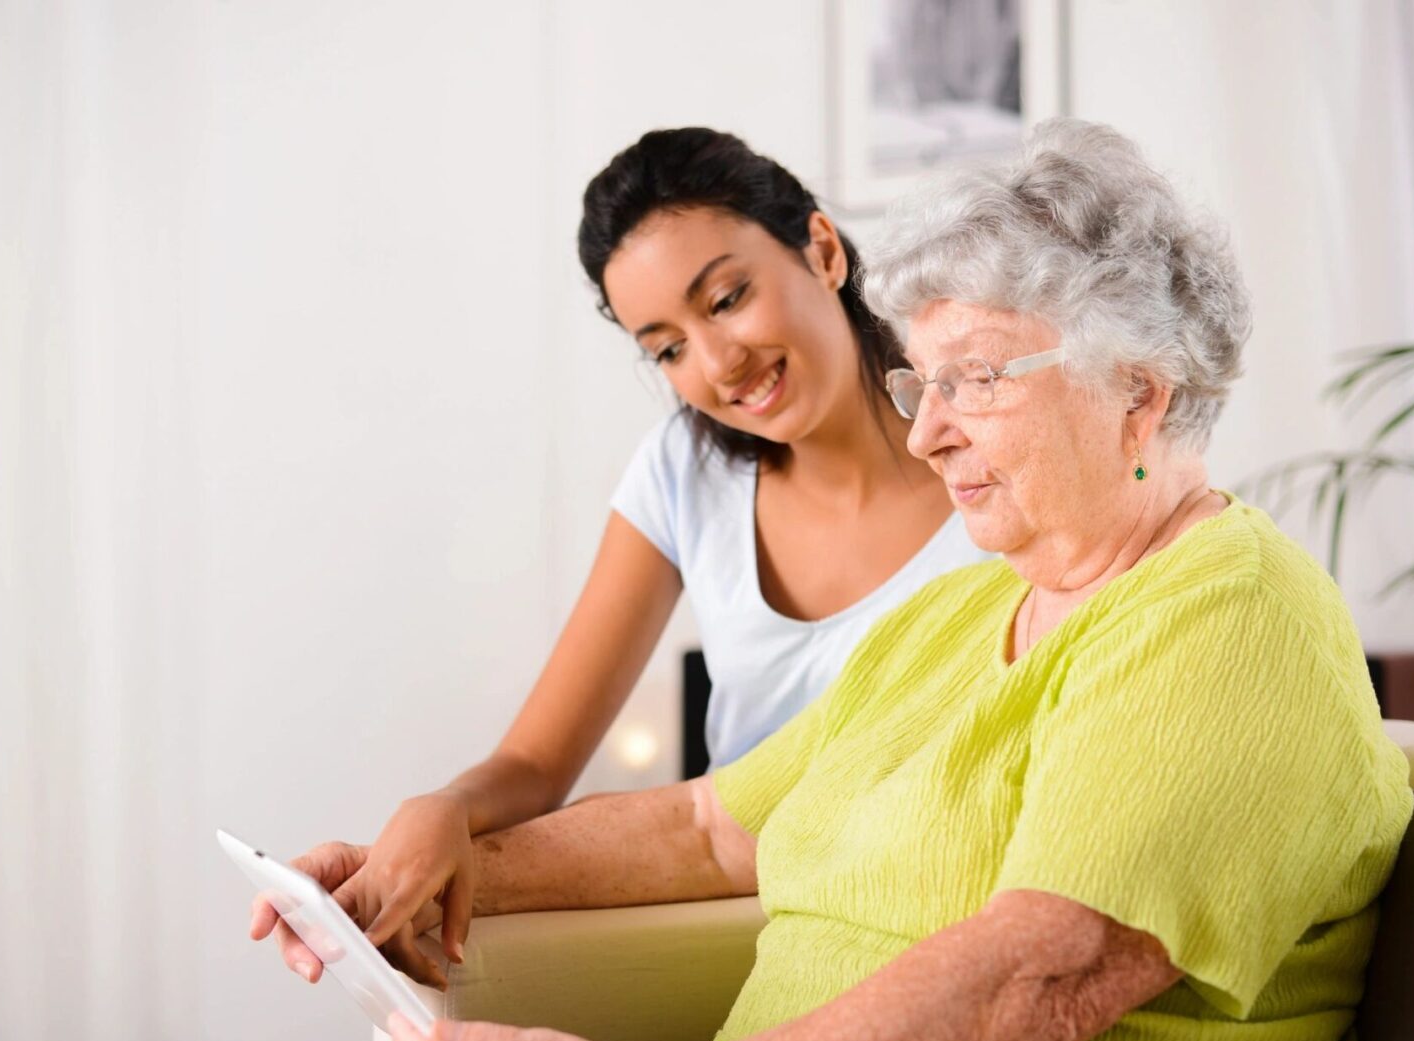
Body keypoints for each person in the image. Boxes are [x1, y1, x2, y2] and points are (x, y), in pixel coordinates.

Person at [378, 119, 1414, 1041]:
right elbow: (708, 828)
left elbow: (1037, 980)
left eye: (972, 380)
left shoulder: (1228, 617)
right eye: (922, 385)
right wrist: (412, 873)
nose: (925, 433)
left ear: (1137, 393)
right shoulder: (956, 617)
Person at [250, 128, 990, 986]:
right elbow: (535, 763)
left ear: (821, 249)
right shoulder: (685, 471)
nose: (718, 364)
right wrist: (439, 814)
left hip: (920, 911)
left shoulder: (991, 452)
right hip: (731, 915)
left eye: (725, 298)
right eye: (667, 347)